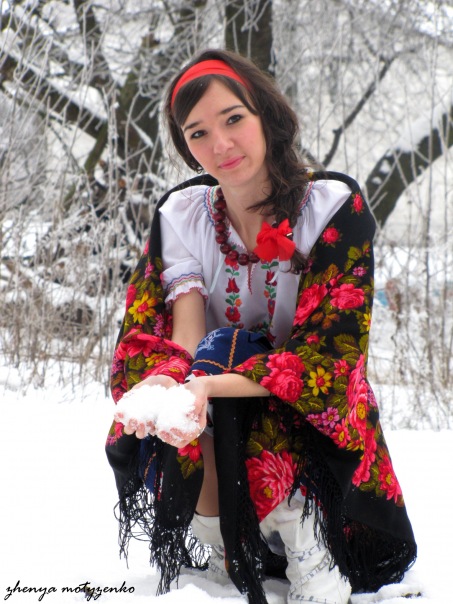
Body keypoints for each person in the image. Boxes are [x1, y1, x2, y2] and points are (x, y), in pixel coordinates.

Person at [105, 48, 417, 604]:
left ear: (266, 115)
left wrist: (210, 382)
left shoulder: (330, 207)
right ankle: (229, 546)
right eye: (198, 133)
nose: (220, 144)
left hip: (305, 415)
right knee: (192, 386)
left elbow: (329, 356)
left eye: (233, 119)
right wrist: (171, 384)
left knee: (229, 364)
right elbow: (183, 336)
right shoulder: (183, 216)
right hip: (216, 388)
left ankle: (308, 539)